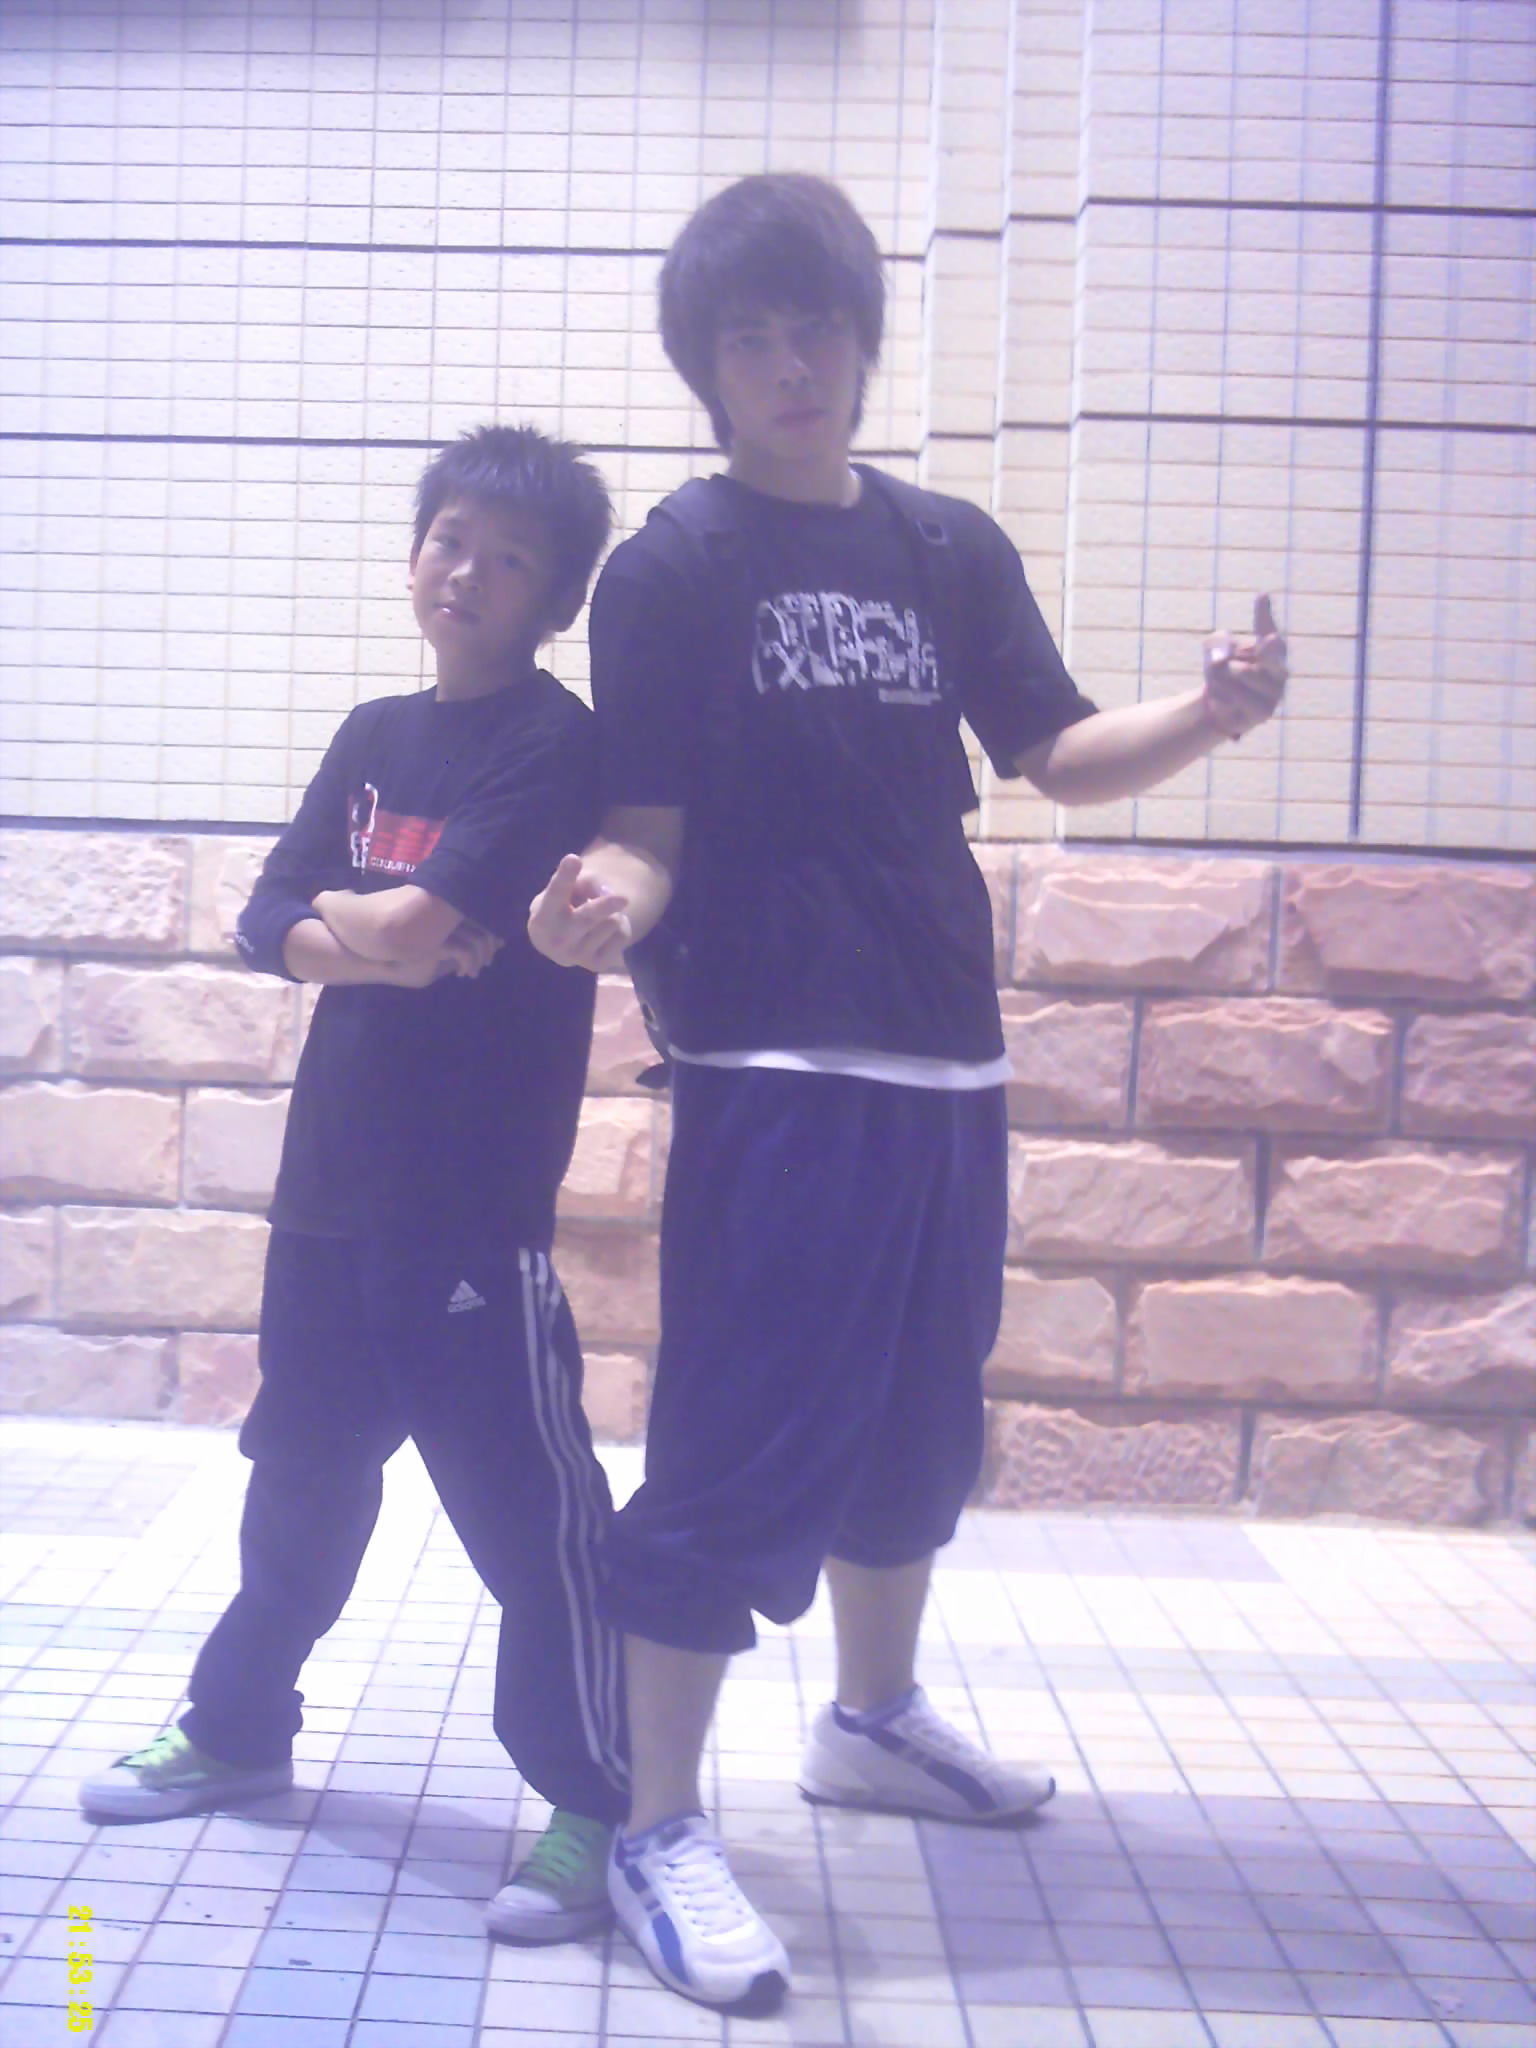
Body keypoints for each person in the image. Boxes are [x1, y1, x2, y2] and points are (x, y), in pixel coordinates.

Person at [527, 173, 1288, 2016]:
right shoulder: (676, 566)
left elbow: (1054, 750)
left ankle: (869, 1722)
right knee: (739, 1441)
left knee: (918, 1430)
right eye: (753, 339)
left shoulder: (947, 545)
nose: (794, 365)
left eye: (818, 329)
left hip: (950, 1052)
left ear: (863, 341)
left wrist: (1209, 716)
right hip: (777, 1064)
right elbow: (645, 829)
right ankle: (657, 1823)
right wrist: (590, 910)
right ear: (709, 369)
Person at [79, 424, 630, 1945]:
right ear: (414, 554)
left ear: (553, 599)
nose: (468, 573)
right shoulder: (375, 729)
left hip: (470, 1204)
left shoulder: (551, 742)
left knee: (527, 1510)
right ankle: (239, 1730)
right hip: (330, 1186)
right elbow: (275, 915)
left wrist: (363, 928)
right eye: (450, 539)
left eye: (509, 559)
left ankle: (600, 1800)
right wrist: (366, 934)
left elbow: (391, 924)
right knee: (302, 1473)